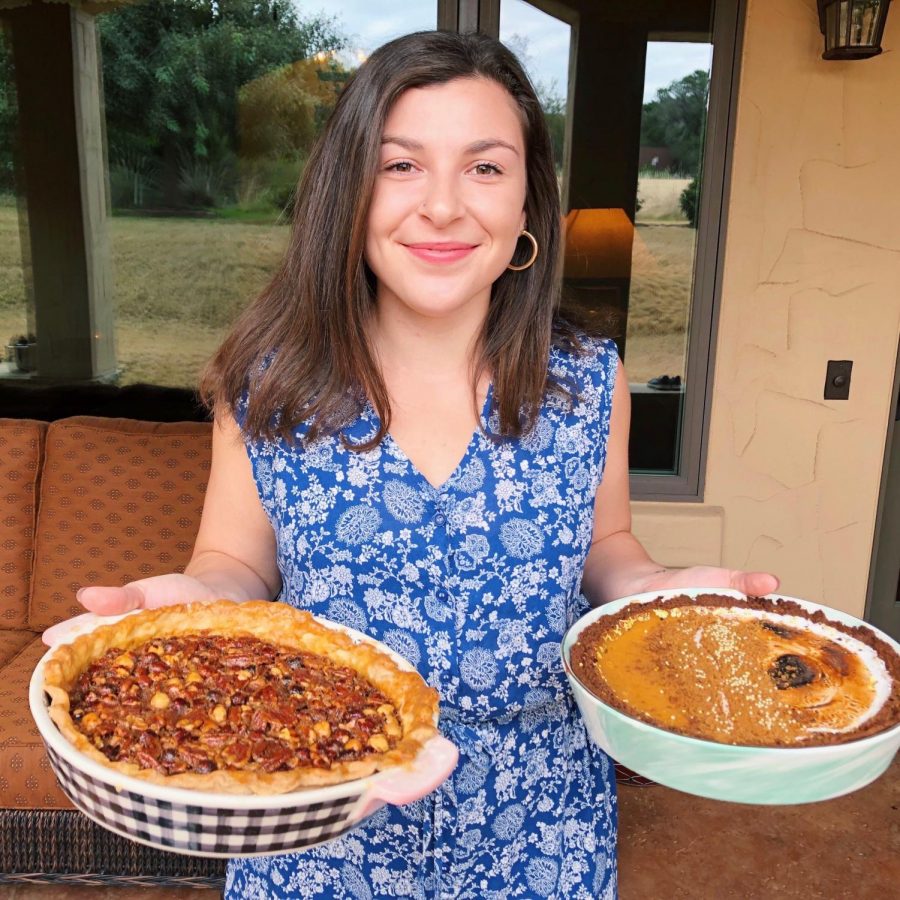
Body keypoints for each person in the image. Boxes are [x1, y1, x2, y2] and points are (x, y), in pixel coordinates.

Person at [60, 31, 778, 899]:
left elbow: (606, 549)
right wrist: (177, 605)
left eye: (485, 168)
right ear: (348, 193)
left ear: (526, 203)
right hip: (320, 804)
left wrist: (664, 590)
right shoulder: (273, 381)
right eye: (401, 166)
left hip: (537, 819)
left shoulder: (589, 380)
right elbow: (235, 564)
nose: (442, 207)